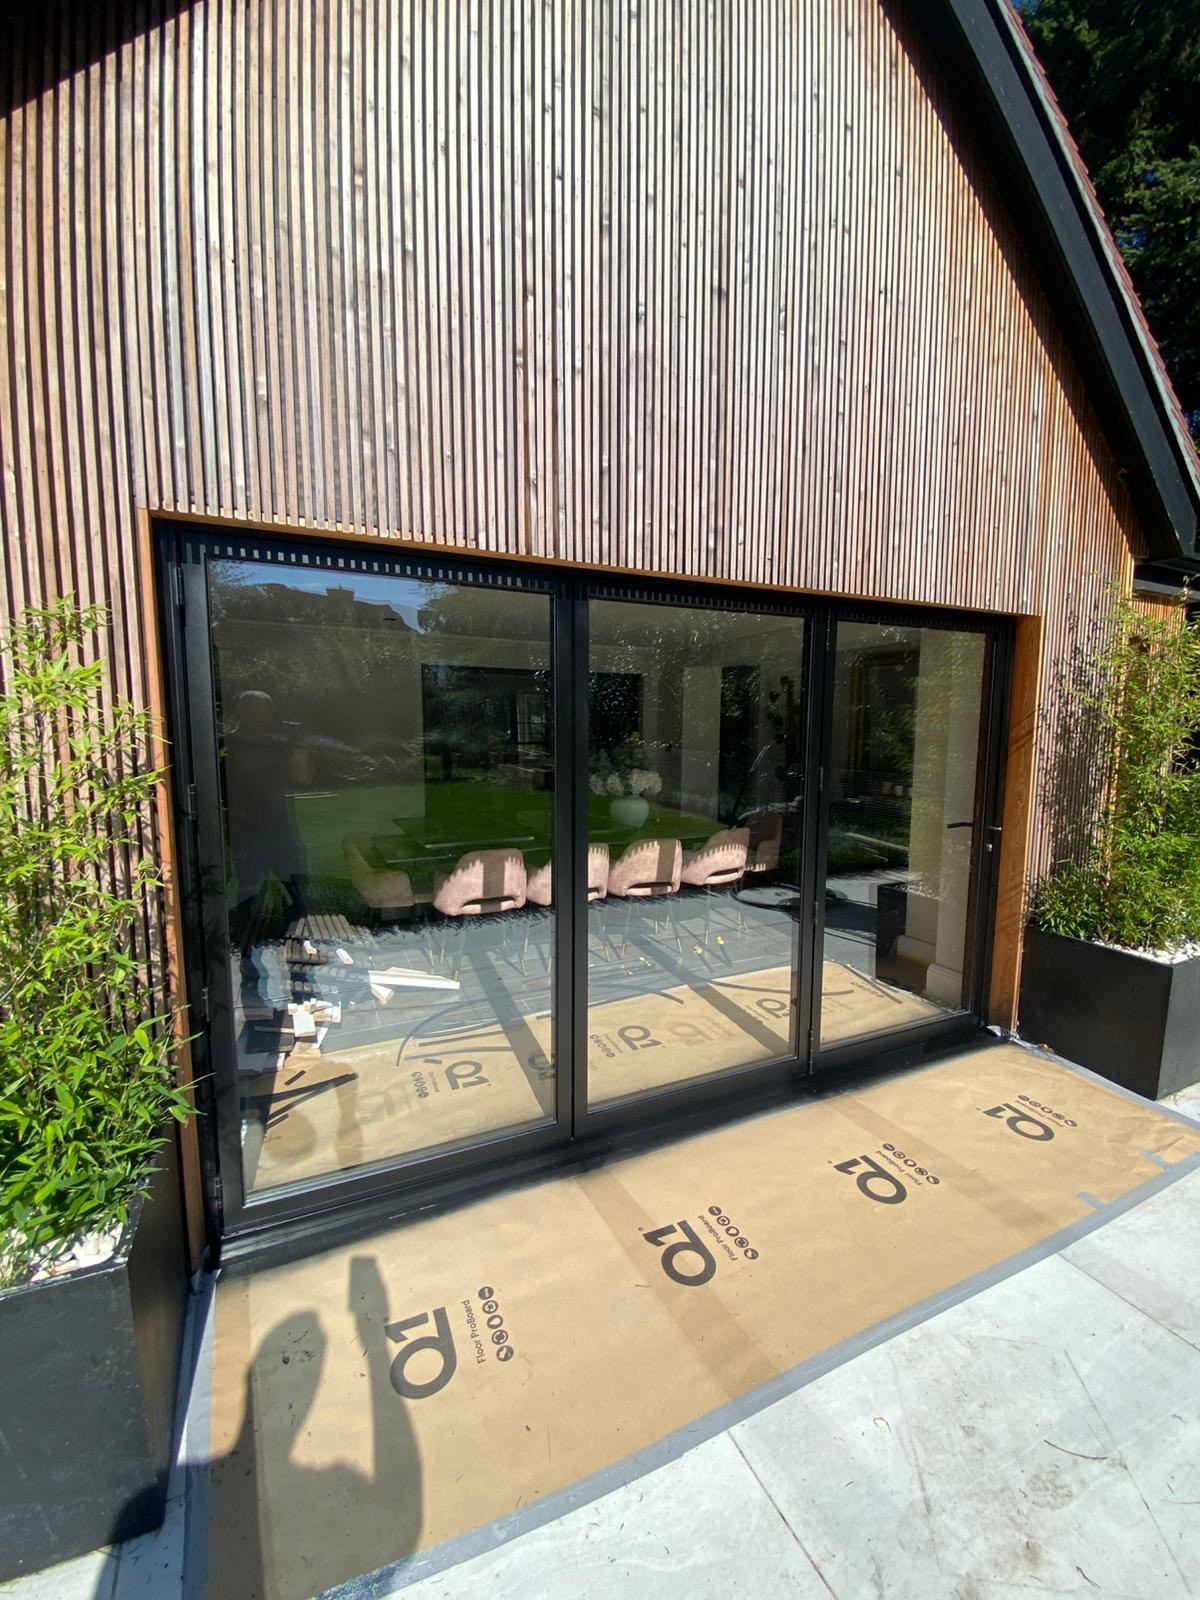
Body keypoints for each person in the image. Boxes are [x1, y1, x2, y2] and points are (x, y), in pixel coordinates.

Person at [223, 690, 315, 1013]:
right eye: (258, 711)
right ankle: (250, 973)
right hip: (249, 838)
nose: (264, 717)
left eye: (268, 711)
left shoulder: (276, 744)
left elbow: (302, 779)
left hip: (284, 835)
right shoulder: (228, 747)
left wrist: (299, 750)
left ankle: (299, 973)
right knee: (249, 904)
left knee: (297, 902)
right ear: (242, 711)